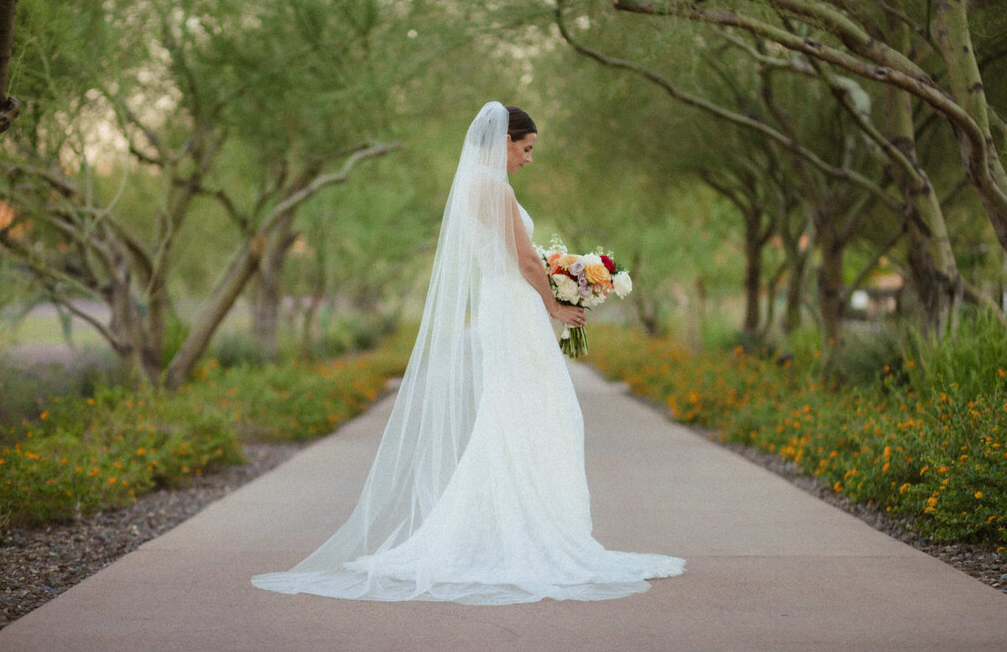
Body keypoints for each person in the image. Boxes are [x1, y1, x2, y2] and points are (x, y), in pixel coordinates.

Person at [252, 101, 684, 604]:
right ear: (502, 141)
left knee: (516, 415)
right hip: (517, 307)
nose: (528, 158)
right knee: (541, 413)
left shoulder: (473, 187)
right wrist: (557, 305)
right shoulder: (494, 188)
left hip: (502, 307)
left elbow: (522, 256)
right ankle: (524, 532)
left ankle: (512, 525)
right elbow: (524, 260)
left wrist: (562, 275)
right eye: (525, 149)